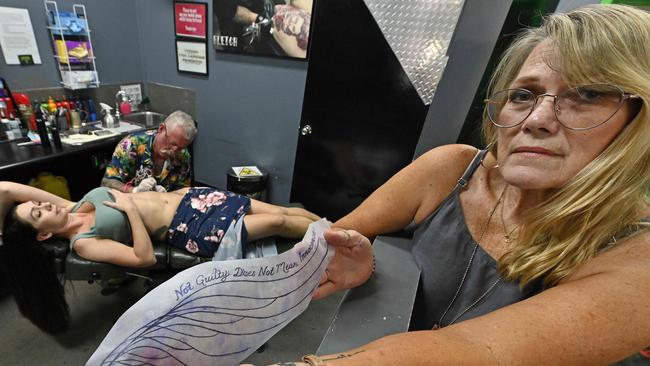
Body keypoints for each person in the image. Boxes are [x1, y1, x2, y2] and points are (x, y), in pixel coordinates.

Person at [263, 4, 650, 365]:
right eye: (523, 95)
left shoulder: (637, 255)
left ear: (639, 119)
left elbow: (475, 350)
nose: (537, 119)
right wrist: (370, 263)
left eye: (587, 94)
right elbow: (337, 239)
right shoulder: (452, 169)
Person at [0, 182, 320, 335]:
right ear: (42, 235)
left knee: (284, 211)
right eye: (38, 213)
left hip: (193, 197)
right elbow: (144, 258)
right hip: (191, 228)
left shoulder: (71, 204)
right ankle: (343, 236)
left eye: (37, 203)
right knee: (279, 223)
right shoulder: (83, 244)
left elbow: (5, 189)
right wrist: (130, 212)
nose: (44, 205)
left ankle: (345, 228)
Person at [101, 110, 197, 193]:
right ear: (161, 129)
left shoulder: (183, 156)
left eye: (180, 148)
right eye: (172, 143)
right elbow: (107, 182)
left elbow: (183, 192)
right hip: (128, 204)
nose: (174, 151)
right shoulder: (131, 145)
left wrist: (167, 196)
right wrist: (134, 190)